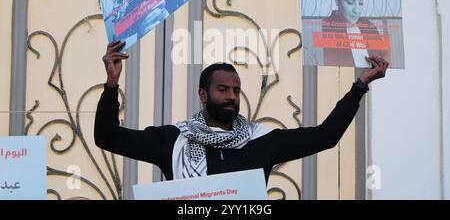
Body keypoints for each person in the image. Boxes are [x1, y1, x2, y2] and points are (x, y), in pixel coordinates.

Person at [95, 41, 389, 183]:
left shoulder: (262, 140)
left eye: (236, 90)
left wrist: (359, 86)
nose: (232, 97)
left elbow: (326, 136)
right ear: (203, 94)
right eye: (223, 90)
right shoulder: (172, 140)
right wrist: (111, 85)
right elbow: (107, 137)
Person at [321, 0, 389, 67]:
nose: (357, 10)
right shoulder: (324, 27)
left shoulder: (368, 25)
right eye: (350, 2)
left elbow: (385, 54)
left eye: (361, 3)